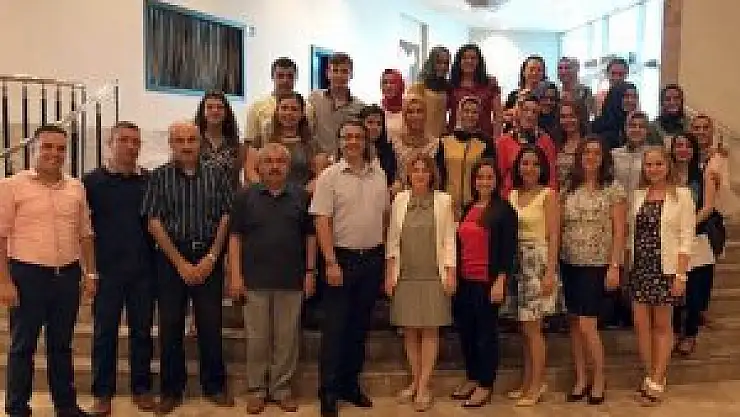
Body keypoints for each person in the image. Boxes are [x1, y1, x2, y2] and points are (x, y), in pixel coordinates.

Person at [0, 124, 98, 417]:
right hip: (27, 275)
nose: (54, 153)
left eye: (60, 148)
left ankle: (66, 406)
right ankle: (17, 407)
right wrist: (4, 282)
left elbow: (85, 233)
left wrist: (90, 274)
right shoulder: (12, 186)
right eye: (47, 147)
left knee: (61, 345)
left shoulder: (76, 187)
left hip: (66, 275)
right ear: (33, 149)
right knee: (23, 346)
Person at [141, 121, 235, 414]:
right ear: (171, 144)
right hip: (171, 258)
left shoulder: (217, 174)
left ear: (200, 142)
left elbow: (226, 216)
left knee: (210, 324)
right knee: (170, 325)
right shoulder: (159, 177)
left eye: (191, 140)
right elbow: (153, 221)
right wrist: (180, 262)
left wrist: (212, 257)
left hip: (208, 254)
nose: (186, 146)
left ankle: (214, 385)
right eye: (179, 140)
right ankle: (171, 390)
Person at [227, 143, 316, 414]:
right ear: (259, 166)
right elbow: (235, 238)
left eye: (280, 162)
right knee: (257, 340)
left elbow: (310, 236)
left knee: (287, 340)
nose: (275, 166)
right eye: (269, 161)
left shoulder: (301, 196)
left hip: (291, 280)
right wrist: (235, 275)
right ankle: (257, 390)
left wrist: (310, 272)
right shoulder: (245, 197)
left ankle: (281, 389)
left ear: (288, 167)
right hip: (254, 281)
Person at [310, 120, 389, 417]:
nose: (353, 141)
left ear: (366, 141)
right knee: (335, 329)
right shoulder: (329, 176)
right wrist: (330, 261)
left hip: (371, 260)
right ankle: (328, 392)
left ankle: (349, 385)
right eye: (347, 137)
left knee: (359, 327)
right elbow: (322, 220)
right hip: (340, 260)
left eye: (358, 137)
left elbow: (384, 216)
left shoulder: (379, 175)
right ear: (340, 142)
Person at [84, 122, 156, 415]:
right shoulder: (91, 182)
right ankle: (103, 394)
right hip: (107, 271)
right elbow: (84, 230)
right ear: (109, 143)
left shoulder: (149, 180)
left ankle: (141, 388)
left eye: (135, 141)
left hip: (143, 270)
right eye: (123, 140)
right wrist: (89, 271)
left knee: (142, 333)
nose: (130, 146)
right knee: (104, 334)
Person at [385, 155, 456, 411]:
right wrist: (389, 273)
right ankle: (415, 382)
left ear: (432, 175)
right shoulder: (399, 201)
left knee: (430, 330)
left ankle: (424, 386)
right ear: (409, 174)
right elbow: (392, 239)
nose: (420, 174)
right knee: (410, 330)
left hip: (433, 274)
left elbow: (449, 239)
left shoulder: (443, 201)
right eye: (415, 170)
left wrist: (450, 272)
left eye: (424, 170)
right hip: (406, 274)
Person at [560, 137, 626, 405]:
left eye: (596, 153)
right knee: (575, 325)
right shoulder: (568, 187)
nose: (591, 157)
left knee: (588, 326)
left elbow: (620, 231)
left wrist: (615, 265)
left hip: (596, 265)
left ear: (603, 158)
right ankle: (580, 378)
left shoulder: (613, 189)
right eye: (586, 152)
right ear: (579, 156)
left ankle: (599, 378)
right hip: (569, 262)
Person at [626, 146, 694, 404]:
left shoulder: (682, 195)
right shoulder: (638, 195)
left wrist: (681, 275)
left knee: (662, 326)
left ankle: (657, 378)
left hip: (666, 269)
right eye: (649, 165)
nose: (653, 169)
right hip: (640, 267)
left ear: (668, 166)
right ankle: (651, 372)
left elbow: (686, 238)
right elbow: (631, 234)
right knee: (641, 325)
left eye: (658, 164)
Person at [452, 158, 517, 408]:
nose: (484, 182)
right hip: (465, 280)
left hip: (487, 282)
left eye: (489, 177)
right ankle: (472, 377)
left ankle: (485, 384)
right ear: (474, 180)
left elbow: (508, 249)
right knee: (467, 332)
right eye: (480, 177)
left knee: (485, 335)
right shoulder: (469, 207)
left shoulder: (504, 210)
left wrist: (501, 279)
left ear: (497, 180)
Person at [504, 145, 560, 407]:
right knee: (524, 328)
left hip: (537, 262)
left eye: (535, 164)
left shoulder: (548, 195)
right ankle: (527, 382)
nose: (529, 168)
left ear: (542, 168)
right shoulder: (513, 195)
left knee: (534, 329)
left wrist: (550, 272)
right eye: (525, 163)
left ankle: (537, 385)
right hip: (517, 262)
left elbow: (553, 235)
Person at [669, 133, 717, 356]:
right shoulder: (666, 175)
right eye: (678, 145)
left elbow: (708, 207)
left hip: (697, 239)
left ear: (694, 149)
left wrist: (687, 226)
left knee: (695, 292)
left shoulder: (704, 174)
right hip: (672, 241)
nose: (683, 150)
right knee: (674, 290)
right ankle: (673, 332)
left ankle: (690, 334)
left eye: (688, 146)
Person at [244, 92, 316, 191]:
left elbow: (320, 174)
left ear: (302, 114)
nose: (289, 113)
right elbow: (250, 170)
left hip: (301, 197)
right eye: (284, 108)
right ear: (277, 111)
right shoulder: (261, 139)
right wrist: (268, 192)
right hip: (265, 196)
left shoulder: (312, 143)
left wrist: (300, 194)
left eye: (294, 109)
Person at [437, 96, 495, 218]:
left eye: (474, 112)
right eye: (466, 111)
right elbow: (439, 173)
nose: (470, 115)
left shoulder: (486, 142)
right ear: (459, 113)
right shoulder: (444, 140)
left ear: (479, 115)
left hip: (475, 204)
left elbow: (490, 175)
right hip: (447, 203)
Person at [496, 94, 558, 198]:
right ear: (518, 112)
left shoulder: (547, 141)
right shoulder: (503, 142)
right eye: (526, 110)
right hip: (510, 198)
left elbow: (552, 176)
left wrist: (552, 197)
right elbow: (499, 176)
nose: (529, 115)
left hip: (539, 198)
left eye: (534, 112)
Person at [308, 52, 365, 158]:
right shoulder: (314, 99)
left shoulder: (360, 107)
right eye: (335, 71)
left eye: (344, 71)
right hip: (319, 161)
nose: (339, 75)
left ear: (351, 75)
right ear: (328, 73)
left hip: (346, 162)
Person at [245, 57, 309, 147]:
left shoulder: (308, 108)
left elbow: (310, 138)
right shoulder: (257, 107)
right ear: (272, 77)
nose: (285, 80)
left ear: (296, 78)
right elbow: (249, 143)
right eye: (280, 76)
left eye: (290, 76)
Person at [390, 94, 442, 195]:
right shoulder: (395, 143)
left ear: (425, 115)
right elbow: (391, 175)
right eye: (410, 112)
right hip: (400, 197)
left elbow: (439, 178)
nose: (415, 116)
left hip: (429, 198)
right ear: (404, 116)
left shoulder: (436, 145)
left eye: (419, 111)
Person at [448, 44, 501, 139]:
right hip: (456, 138)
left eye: (473, 58)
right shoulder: (451, 85)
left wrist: (496, 139)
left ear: (479, 61)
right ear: (459, 61)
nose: (469, 61)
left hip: (484, 138)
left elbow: (498, 115)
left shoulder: (490, 83)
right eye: (465, 58)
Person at [195, 90, 243, 188]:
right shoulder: (193, 142)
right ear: (202, 112)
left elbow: (237, 179)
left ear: (226, 112)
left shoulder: (236, 146)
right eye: (209, 107)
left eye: (220, 107)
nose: (215, 111)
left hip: (229, 196)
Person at [411, 46, 451, 139]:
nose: (443, 66)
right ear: (432, 63)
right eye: (439, 62)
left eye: (446, 63)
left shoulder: (447, 86)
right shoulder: (420, 86)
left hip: (441, 138)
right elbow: (410, 114)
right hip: (421, 138)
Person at [359, 105, 397, 185]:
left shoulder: (388, 149)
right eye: (370, 122)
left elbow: (392, 178)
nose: (375, 127)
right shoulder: (352, 148)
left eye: (379, 124)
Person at [556, 101, 587, 190]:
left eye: (572, 116)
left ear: (579, 118)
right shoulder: (556, 144)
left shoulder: (588, 145)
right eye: (563, 117)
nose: (567, 120)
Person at [381, 69, 405, 142]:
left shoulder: (410, 109)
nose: (388, 86)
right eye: (385, 82)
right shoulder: (379, 110)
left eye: (392, 82)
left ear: (400, 85)